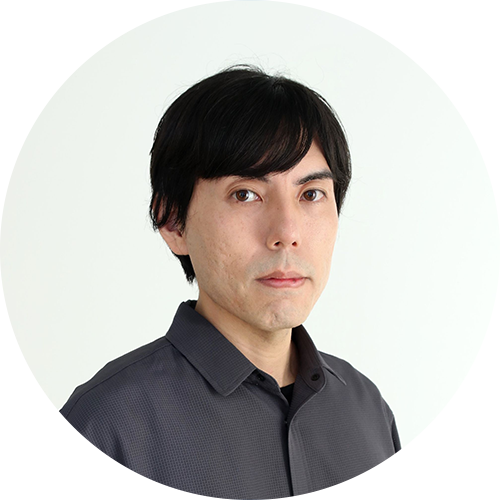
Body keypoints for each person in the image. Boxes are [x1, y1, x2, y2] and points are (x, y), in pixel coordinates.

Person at [16, 65, 406, 499]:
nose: (286, 232)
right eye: (246, 194)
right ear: (172, 221)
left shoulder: (368, 414)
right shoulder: (98, 436)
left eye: (310, 194)